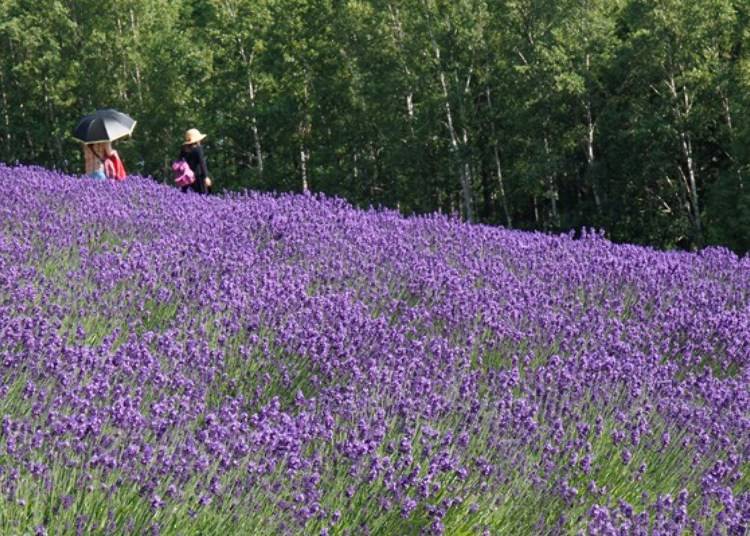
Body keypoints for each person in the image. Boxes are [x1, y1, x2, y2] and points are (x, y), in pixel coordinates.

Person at [178, 128, 209, 194]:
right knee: (202, 197)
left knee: (184, 197)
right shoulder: (198, 149)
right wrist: (206, 177)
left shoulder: (184, 149)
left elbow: (179, 160)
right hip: (198, 177)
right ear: (197, 140)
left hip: (187, 177)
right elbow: (202, 163)